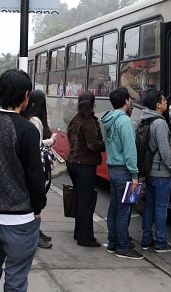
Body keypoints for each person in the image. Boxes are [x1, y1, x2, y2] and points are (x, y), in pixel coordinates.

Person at [0, 69, 46, 291]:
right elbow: (35, 174)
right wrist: (38, 206)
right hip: (18, 217)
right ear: (26, 95)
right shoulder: (26, 129)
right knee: (16, 275)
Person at [101, 87, 143, 259]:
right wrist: (135, 174)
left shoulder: (109, 119)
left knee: (114, 207)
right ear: (127, 101)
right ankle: (123, 247)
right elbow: (130, 151)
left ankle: (113, 242)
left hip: (112, 168)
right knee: (123, 210)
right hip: (124, 170)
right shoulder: (125, 122)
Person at [140, 90, 171, 253]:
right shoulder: (160, 123)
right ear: (158, 105)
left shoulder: (145, 120)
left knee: (149, 207)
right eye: (164, 100)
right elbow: (165, 151)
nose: (166, 102)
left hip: (149, 170)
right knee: (161, 208)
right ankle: (161, 242)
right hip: (161, 172)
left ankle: (146, 240)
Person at [66, 91, 105, 247]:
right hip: (85, 165)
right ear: (93, 104)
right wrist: (107, 144)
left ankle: (79, 233)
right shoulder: (89, 121)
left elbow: (70, 137)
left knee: (80, 199)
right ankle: (85, 238)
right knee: (85, 202)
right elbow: (93, 145)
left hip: (73, 162)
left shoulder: (75, 118)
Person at [21, 89, 57, 249]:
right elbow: (36, 145)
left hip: (32, 166)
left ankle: (36, 232)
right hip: (35, 166)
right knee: (35, 202)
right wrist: (51, 141)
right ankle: (34, 234)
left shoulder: (29, 117)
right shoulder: (35, 121)